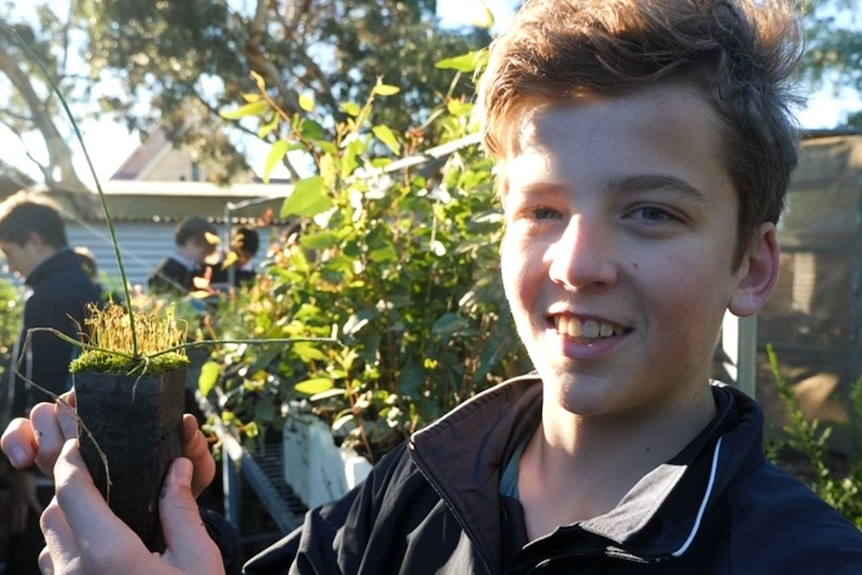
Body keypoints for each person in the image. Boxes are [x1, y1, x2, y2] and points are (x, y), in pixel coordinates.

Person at [4, 0, 862, 573]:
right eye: (543, 210)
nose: (576, 263)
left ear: (751, 265)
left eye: (650, 213)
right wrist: (160, 511)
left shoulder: (801, 558)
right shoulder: (421, 483)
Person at [0, 193, 102, 575]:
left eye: (9, 252)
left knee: (38, 552)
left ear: (35, 240)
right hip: (81, 450)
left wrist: (24, 469)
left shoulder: (47, 296)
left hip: (50, 459)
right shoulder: (81, 283)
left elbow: (40, 385)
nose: (9, 266)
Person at [147, 216, 219, 296]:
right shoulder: (169, 269)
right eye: (201, 244)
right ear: (191, 241)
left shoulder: (195, 266)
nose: (207, 252)